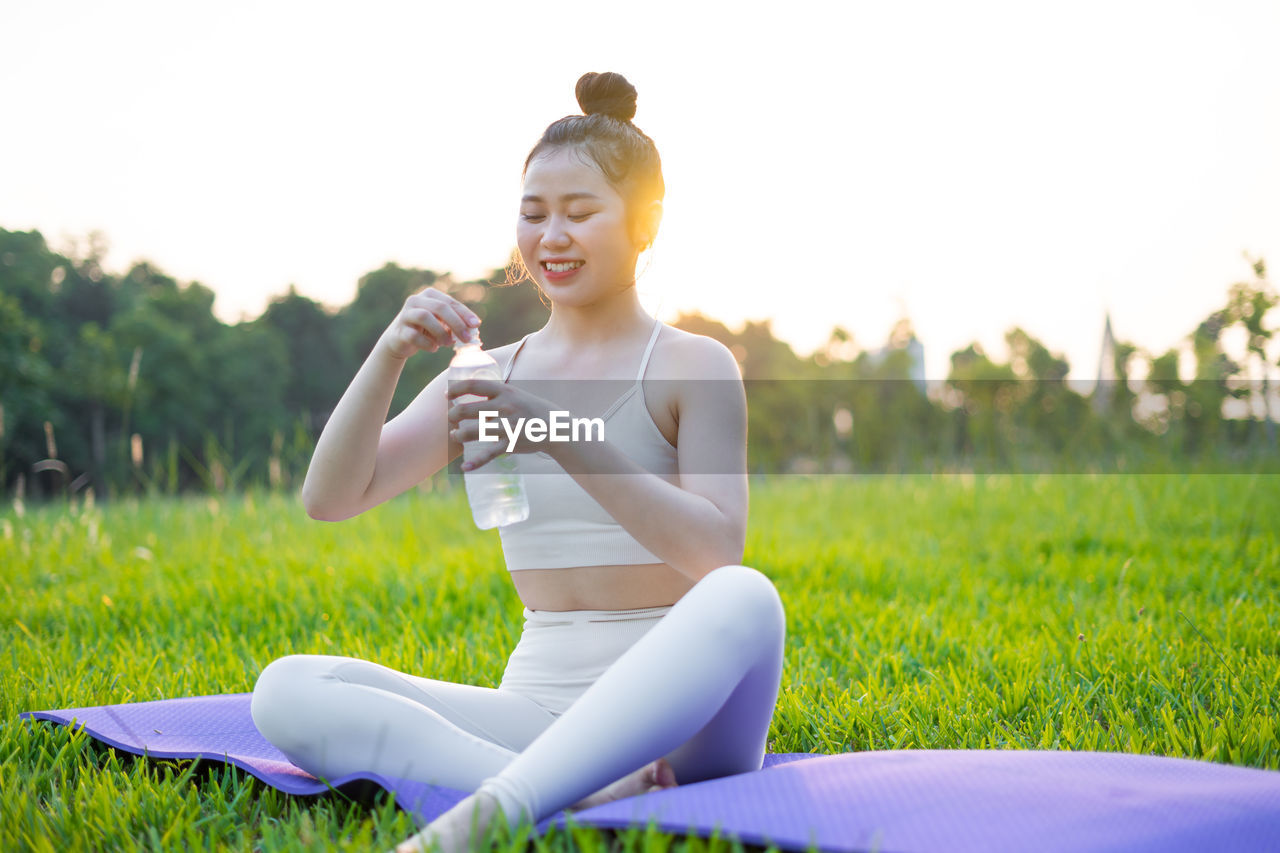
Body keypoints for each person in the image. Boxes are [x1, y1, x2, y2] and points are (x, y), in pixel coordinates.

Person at [249, 71, 786, 853]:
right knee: (288, 689)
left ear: (646, 222)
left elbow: (714, 551)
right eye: (533, 214)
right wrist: (389, 352)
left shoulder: (693, 365)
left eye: (579, 212)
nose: (551, 236)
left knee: (747, 597)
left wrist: (556, 430)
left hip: (683, 723)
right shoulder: (485, 373)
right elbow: (332, 497)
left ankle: (492, 811)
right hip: (534, 706)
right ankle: (581, 790)